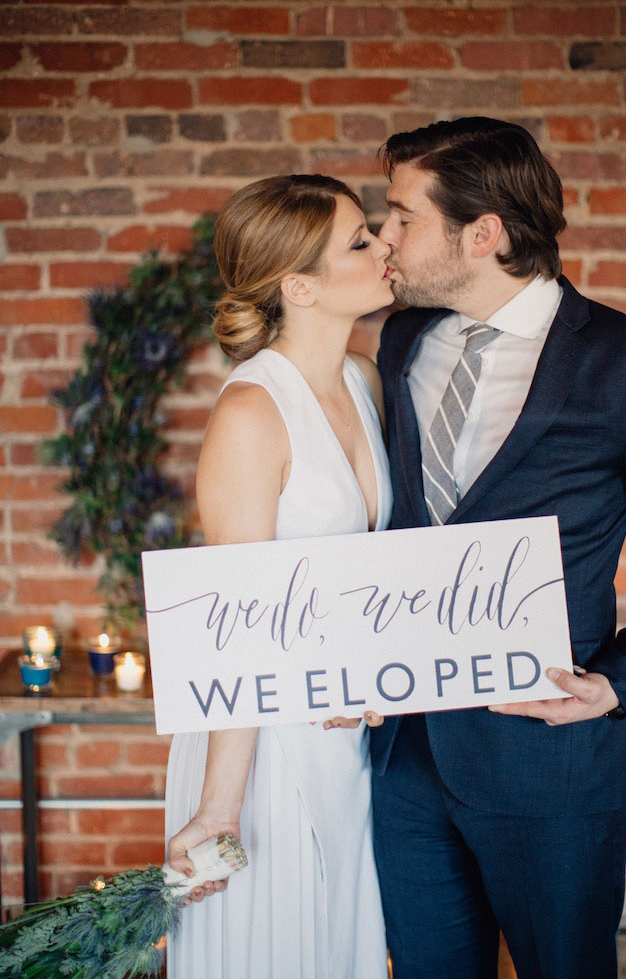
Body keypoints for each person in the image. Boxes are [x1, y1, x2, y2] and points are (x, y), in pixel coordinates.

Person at [370, 116, 626, 979]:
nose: (383, 236)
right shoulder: (401, 342)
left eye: (403, 215)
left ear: (481, 234)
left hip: (551, 762)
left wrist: (619, 681)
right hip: (405, 756)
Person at [165, 174, 394, 979]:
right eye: (361, 240)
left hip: (346, 737)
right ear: (300, 285)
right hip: (262, 742)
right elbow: (239, 626)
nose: (385, 246)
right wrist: (222, 807)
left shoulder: (363, 381)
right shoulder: (251, 415)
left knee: (341, 945)